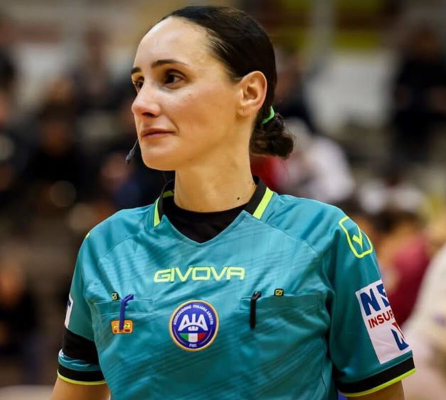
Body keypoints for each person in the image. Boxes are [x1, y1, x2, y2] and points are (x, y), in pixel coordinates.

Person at [51, 6, 414, 400]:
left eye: (171, 78)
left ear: (250, 93)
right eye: (139, 83)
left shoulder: (328, 237)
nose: (141, 104)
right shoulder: (105, 246)